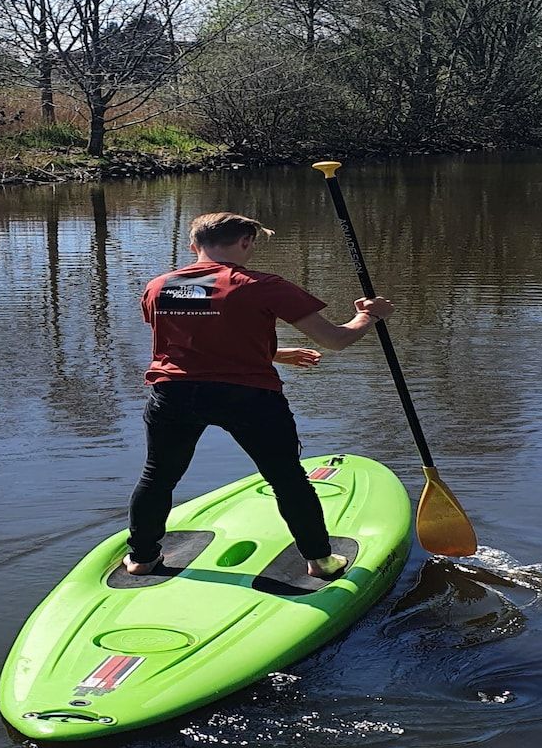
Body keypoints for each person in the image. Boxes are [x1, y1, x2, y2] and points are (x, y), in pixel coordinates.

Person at [125, 211, 395, 580]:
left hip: (174, 394)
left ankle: (141, 558)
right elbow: (335, 339)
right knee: (287, 479)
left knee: (158, 477)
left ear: (194, 246)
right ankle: (319, 560)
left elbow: (199, 339)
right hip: (248, 398)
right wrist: (370, 316)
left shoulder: (160, 287)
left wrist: (278, 354)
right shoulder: (262, 285)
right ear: (246, 242)